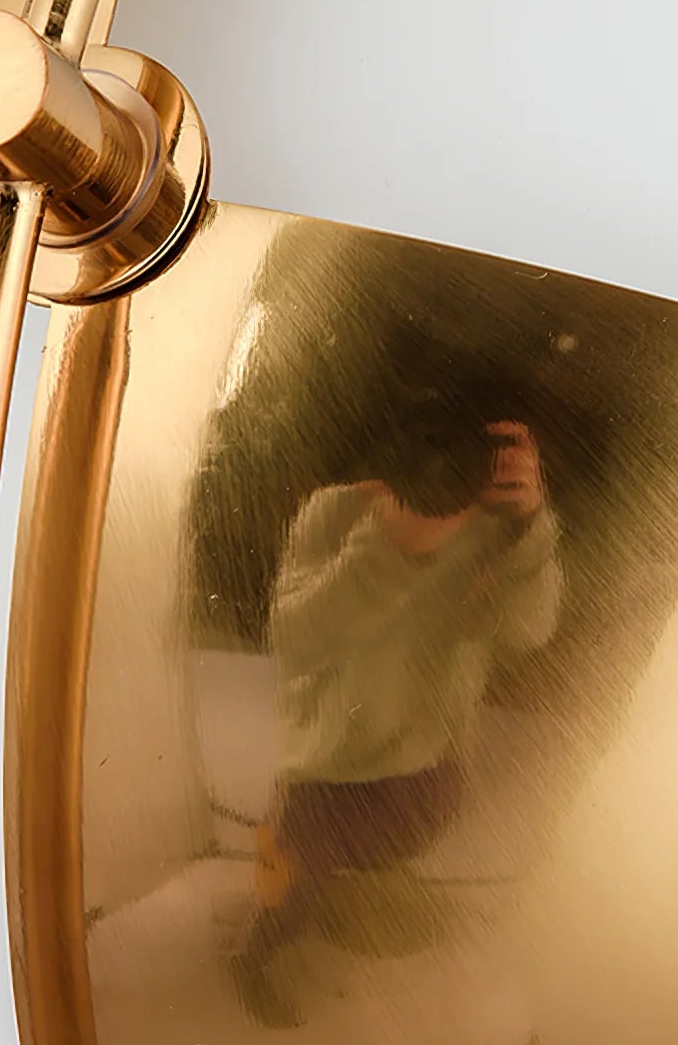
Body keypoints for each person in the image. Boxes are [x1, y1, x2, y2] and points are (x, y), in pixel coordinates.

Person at [229, 418, 563, 1028]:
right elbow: (295, 638)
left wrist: (530, 528)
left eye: (466, 453)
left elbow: (530, 631)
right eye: (433, 448)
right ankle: (257, 957)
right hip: (325, 767)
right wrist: (390, 547)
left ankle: (334, 899)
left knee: (347, 860)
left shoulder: (495, 530)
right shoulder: (338, 512)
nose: (444, 473)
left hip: (428, 769)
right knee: (290, 879)